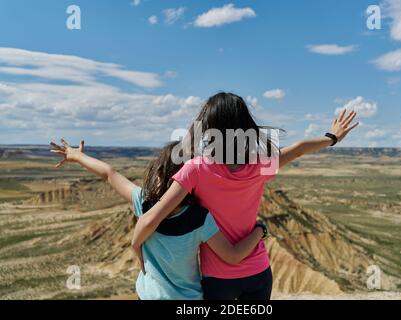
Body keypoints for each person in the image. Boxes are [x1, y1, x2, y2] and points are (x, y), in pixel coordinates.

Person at [131, 92, 359, 300]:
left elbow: (152, 218)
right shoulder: (260, 166)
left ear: (209, 129)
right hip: (258, 273)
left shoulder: (196, 170)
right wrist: (332, 137)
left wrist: (137, 249)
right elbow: (299, 148)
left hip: (218, 280)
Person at [50, 139, 267, 300]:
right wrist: (259, 230)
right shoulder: (200, 218)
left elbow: (108, 173)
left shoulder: (143, 202)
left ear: (159, 171)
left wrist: (76, 156)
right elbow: (233, 256)